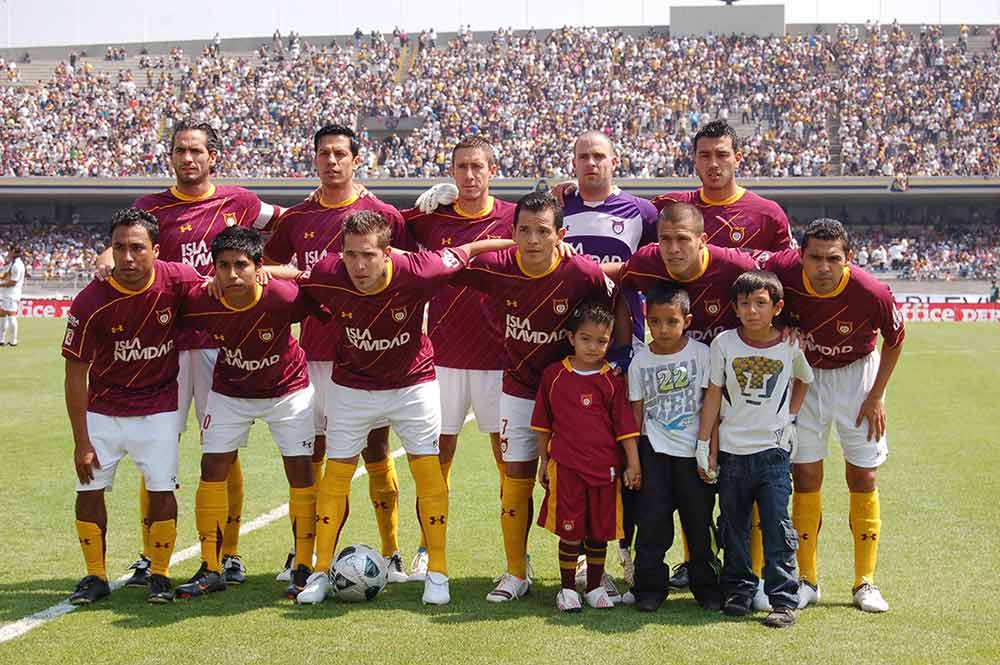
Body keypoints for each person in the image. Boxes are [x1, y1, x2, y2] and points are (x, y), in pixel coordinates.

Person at [96, 120, 283, 589]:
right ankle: (149, 554)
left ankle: (229, 553)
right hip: (166, 345)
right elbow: (121, 246)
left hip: (222, 343)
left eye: (196, 150)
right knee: (155, 447)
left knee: (222, 450)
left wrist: (270, 269)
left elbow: (291, 220)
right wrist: (104, 257)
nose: (188, 158)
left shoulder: (240, 202)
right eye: (180, 150)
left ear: (212, 156)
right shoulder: (150, 206)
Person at [294, 210, 512, 605]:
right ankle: (320, 571)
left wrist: (530, 244)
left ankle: (438, 573)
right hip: (351, 386)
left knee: (428, 473)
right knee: (336, 476)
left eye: (368, 255)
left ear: (387, 252)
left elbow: (471, 249)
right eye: (351, 255)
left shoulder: (420, 269)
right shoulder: (327, 273)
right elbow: (296, 280)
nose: (359, 265)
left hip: (412, 385)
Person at [451, 191, 623, 604]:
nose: (532, 240)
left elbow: (615, 299)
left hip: (572, 393)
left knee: (584, 481)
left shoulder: (581, 272)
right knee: (516, 481)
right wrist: (488, 244)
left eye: (543, 231)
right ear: (511, 233)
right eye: (524, 231)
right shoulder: (498, 266)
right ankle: (516, 572)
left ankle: (589, 570)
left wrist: (616, 359)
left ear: (561, 234)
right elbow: (453, 261)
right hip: (519, 388)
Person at [264, 123, 414, 583]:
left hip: (371, 353)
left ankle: (391, 552)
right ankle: (305, 553)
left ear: (355, 160)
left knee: (375, 449)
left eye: (340, 153)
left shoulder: (383, 214)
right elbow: (268, 267)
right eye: (324, 153)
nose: (332, 161)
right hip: (314, 354)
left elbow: (409, 270)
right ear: (314, 159)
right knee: (314, 452)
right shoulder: (297, 218)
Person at [63, 208, 204, 605]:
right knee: (89, 489)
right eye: (119, 247)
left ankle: (159, 574)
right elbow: (75, 374)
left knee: (162, 489)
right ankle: (95, 575)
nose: (127, 257)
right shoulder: (90, 301)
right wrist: (81, 441)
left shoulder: (178, 280)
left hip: (159, 407)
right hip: (103, 410)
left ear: (156, 250)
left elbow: (219, 289)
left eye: (137, 248)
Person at [763, 219, 905, 613]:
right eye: (815, 258)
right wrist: (783, 323)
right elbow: (752, 284)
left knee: (863, 475)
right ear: (800, 256)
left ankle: (865, 582)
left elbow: (895, 339)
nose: (823, 267)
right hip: (805, 379)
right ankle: (807, 580)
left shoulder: (872, 292)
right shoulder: (781, 269)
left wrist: (876, 395)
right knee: (806, 476)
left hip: (857, 379)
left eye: (833, 259)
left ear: (849, 258)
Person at [175, 227, 319, 599]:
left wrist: (279, 271)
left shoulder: (283, 296)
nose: (232, 274)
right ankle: (210, 566)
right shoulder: (202, 299)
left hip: (287, 390)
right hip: (231, 391)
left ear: (258, 267)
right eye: (223, 266)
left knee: (300, 471)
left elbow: (311, 279)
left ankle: (303, 566)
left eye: (241, 265)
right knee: (212, 468)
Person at [403, 136, 515, 580]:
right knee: (437, 456)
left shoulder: (512, 217)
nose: (469, 175)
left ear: (492, 171)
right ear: (451, 173)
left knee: (509, 461)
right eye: (461, 167)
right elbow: (384, 227)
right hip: (443, 358)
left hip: (499, 358)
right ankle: (426, 548)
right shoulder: (433, 219)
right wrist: (417, 204)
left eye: (477, 166)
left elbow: (549, 230)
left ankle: (516, 555)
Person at [697, 270, 814, 628]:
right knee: (733, 526)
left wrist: (790, 416)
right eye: (744, 303)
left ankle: (783, 599)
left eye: (760, 303)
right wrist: (705, 443)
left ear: (777, 307)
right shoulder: (724, 344)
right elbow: (714, 393)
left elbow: (804, 380)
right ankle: (738, 590)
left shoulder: (789, 345)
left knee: (777, 527)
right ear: (734, 307)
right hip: (732, 452)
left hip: (773, 453)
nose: (752, 311)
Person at [532, 300, 641, 612]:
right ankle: (567, 589)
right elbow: (543, 424)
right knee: (570, 531)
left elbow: (625, 427)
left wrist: (633, 463)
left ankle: (594, 587)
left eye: (601, 341)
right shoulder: (554, 375)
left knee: (599, 532)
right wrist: (544, 462)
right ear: (571, 338)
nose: (593, 347)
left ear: (610, 341)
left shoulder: (612, 379)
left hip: (605, 470)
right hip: (566, 468)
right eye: (586, 339)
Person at [626, 285, 721, 612]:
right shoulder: (640, 361)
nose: (663, 329)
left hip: (693, 455)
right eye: (655, 321)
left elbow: (712, 406)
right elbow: (636, 413)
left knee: (699, 525)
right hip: (654, 452)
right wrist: (634, 460)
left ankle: (706, 586)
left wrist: (711, 451)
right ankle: (650, 588)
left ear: (687, 321)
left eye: (671, 321)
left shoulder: (702, 354)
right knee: (651, 524)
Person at [652, 120, 792, 259]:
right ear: (694, 160)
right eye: (705, 155)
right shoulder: (668, 206)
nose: (713, 164)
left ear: (737, 159)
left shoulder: (768, 215)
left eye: (722, 155)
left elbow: (789, 269)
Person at [0, 246, 25, 347]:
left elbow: (13, 282)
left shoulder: (17, 266)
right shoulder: (13, 263)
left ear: (14, 252)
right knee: (2, 315)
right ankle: (1, 339)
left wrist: (0, 284)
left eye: (10, 251)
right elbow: (5, 275)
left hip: (12, 295)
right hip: (6, 294)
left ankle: (13, 340)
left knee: (11, 316)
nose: (8, 253)